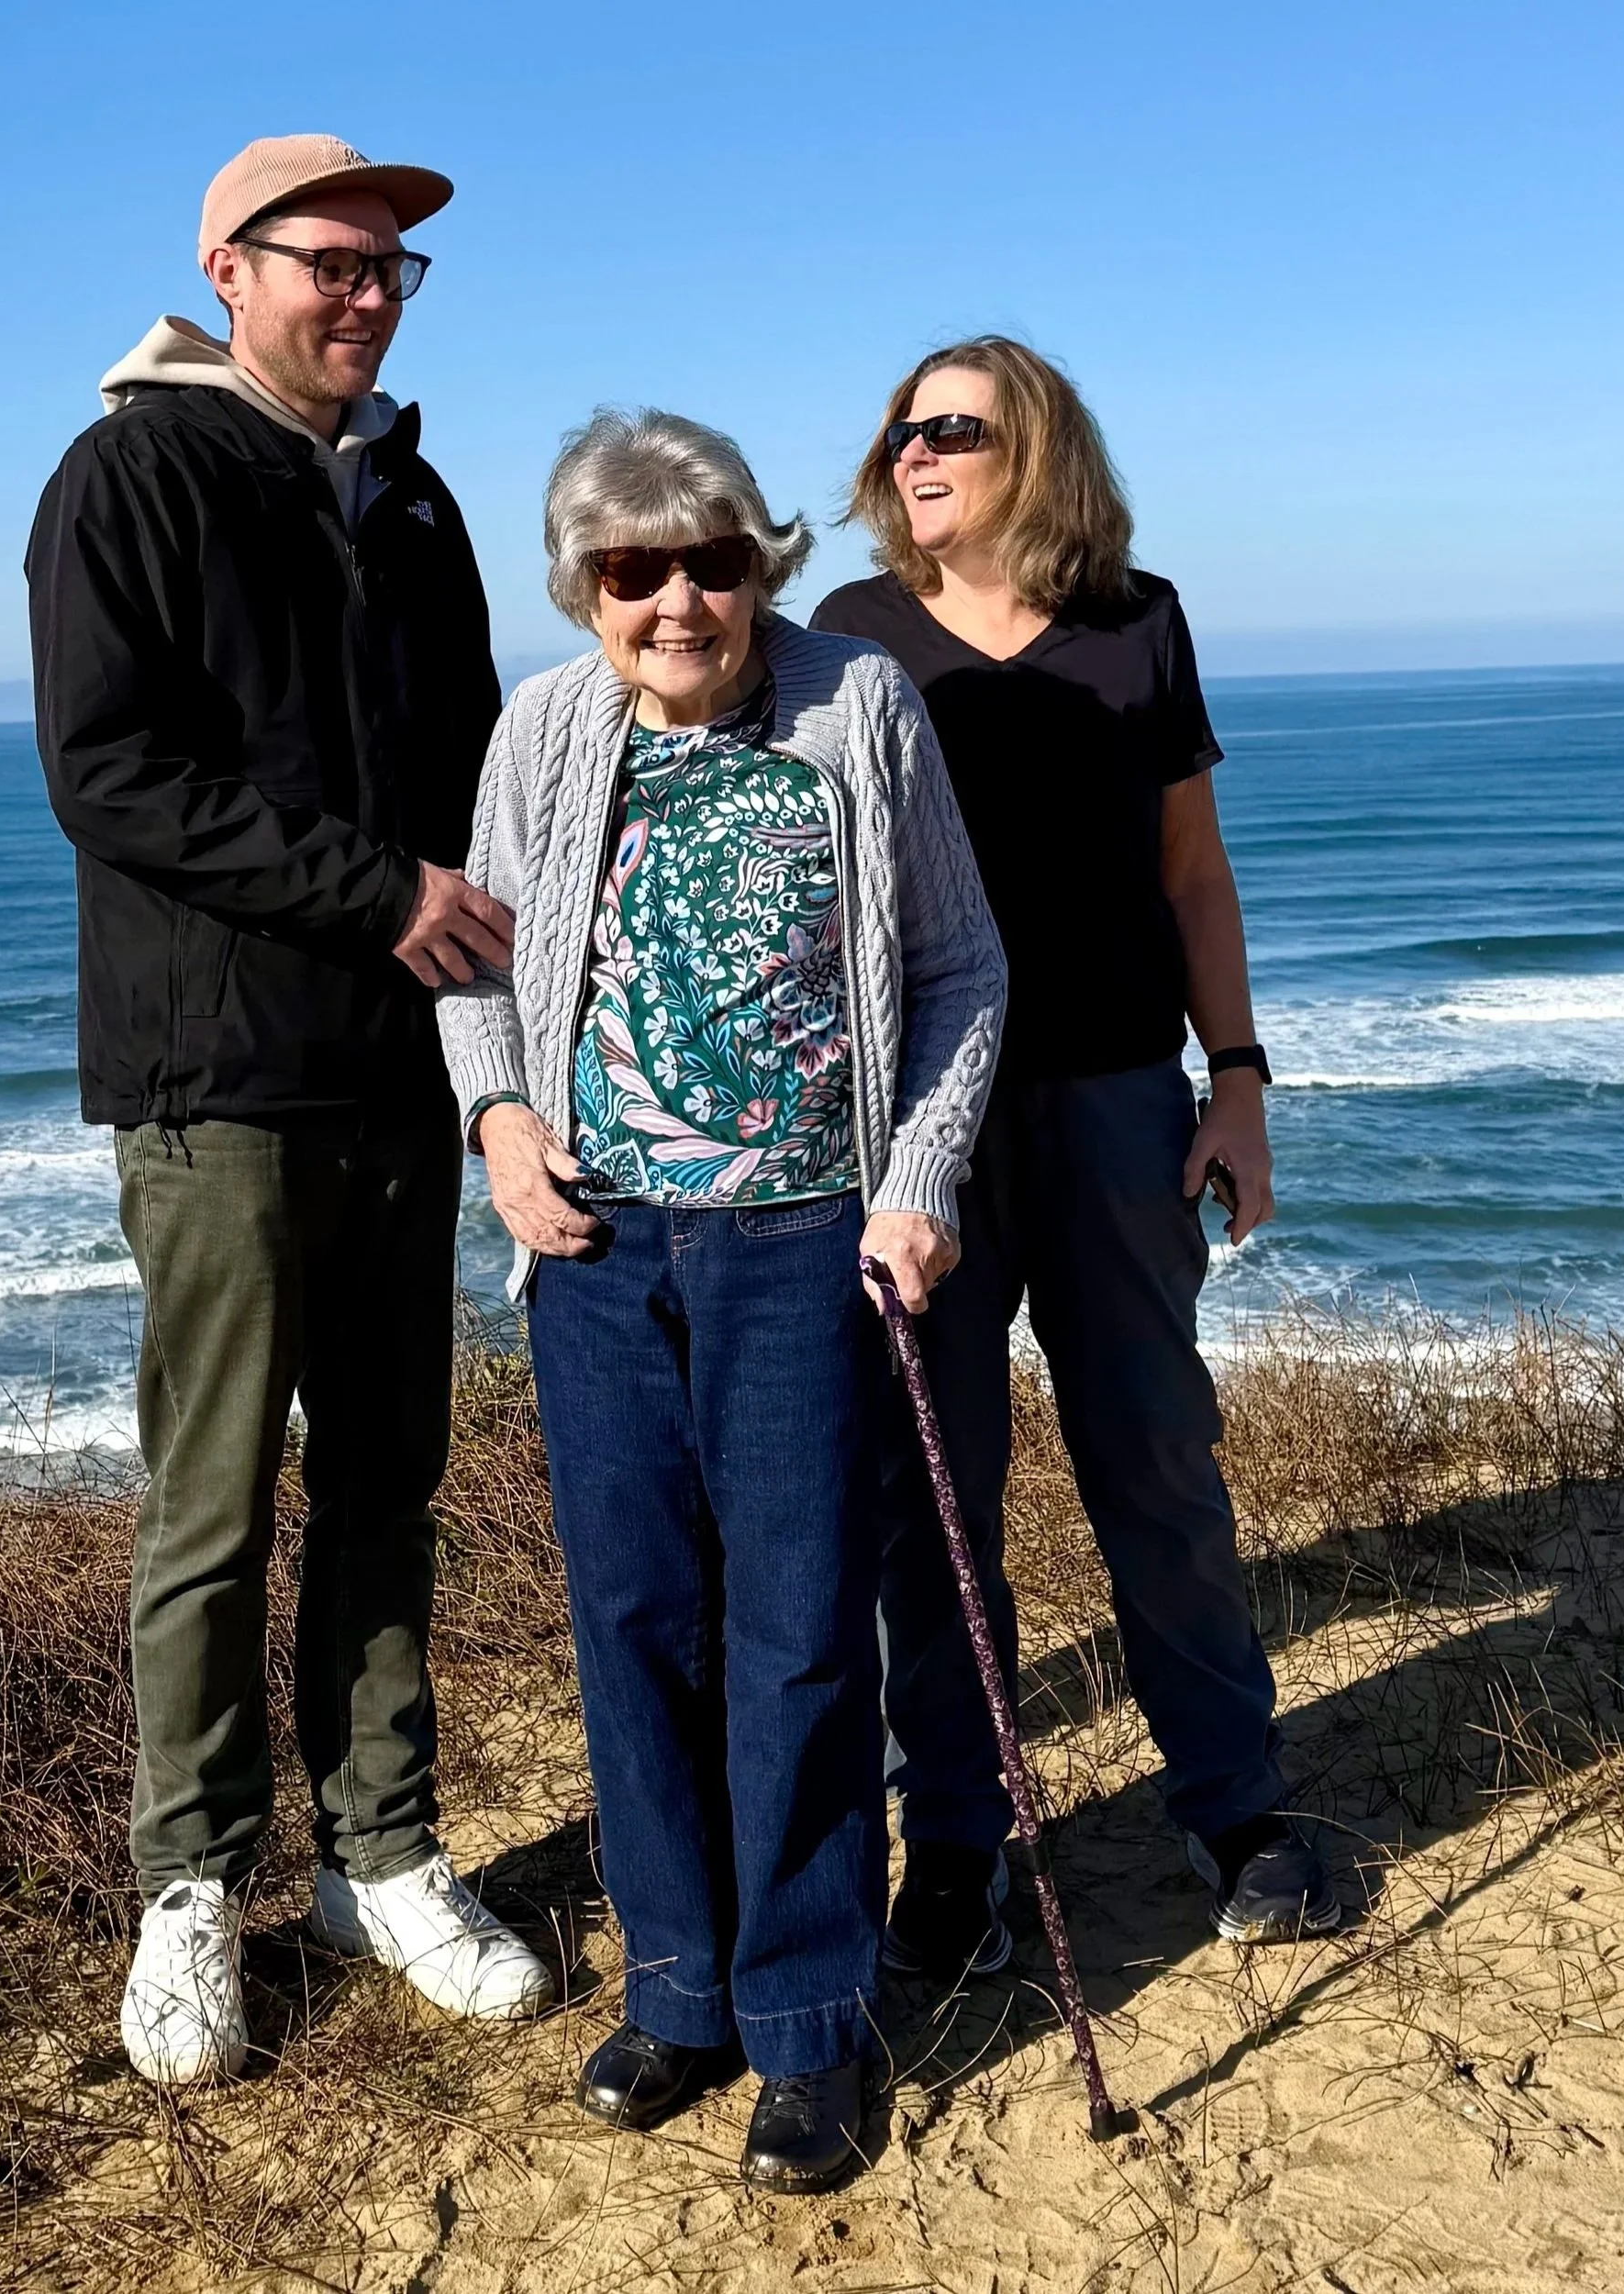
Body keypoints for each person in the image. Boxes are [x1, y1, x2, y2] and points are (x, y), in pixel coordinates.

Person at [26, 134, 554, 2087]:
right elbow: (109, 773)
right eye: (326, 261)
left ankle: (383, 1854)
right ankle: (187, 1890)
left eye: (390, 271)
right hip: (218, 1076)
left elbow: (477, 778)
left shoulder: (408, 496)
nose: (362, 293)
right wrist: (381, 893)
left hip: (401, 1073)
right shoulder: (129, 476)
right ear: (225, 272)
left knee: (390, 1477)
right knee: (211, 1494)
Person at [437, 411, 1006, 2193]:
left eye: (711, 560)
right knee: (634, 1623)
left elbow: (957, 966)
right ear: (582, 591)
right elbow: (477, 960)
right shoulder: (542, 724)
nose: (677, 600)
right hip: (594, 1250)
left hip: (797, 1243)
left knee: (799, 1633)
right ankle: (677, 1987)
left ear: (758, 558)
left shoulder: (856, 707)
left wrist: (916, 1184)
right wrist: (503, 1125)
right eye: (631, 572)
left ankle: (809, 2019)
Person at [812, 337, 1338, 1973]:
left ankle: (1233, 1801)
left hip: (1118, 1094)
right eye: (902, 428)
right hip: (922, 1130)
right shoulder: (851, 638)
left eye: (952, 427)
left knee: (1155, 1460)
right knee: (933, 1497)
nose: (916, 451)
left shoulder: (1136, 621)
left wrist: (1237, 1078)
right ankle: (959, 1845)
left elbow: (1193, 871)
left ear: (1033, 445)